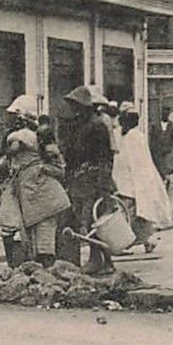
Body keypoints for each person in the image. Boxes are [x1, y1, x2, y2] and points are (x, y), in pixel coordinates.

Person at [0, 96, 70, 268]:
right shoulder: (40, 138)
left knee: (40, 233)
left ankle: (36, 269)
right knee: (28, 231)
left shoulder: (23, 137)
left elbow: (10, 152)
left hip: (37, 190)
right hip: (30, 189)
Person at [60, 85, 118, 275]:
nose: (73, 109)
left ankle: (101, 260)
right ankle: (101, 260)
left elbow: (105, 157)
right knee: (87, 221)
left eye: (75, 105)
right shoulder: (79, 125)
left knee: (95, 221)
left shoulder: (96, 125)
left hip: (93, 179)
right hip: (79, 179)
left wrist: (103, 183)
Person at [113, 103, 172, 252]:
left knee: (134, 214)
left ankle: (135, 241)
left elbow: (141, 162)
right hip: (123, 180)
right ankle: (145, 240)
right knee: (133, 213)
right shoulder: (121, 135)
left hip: (133, 182)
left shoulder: (136, 136)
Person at [147, 107, 173, 186]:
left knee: (167, 168)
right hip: (157, 151)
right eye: (164, 113)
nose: (165, 115)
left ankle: (166, 182)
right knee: (159, 168)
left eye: (167, 113)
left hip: (167, 151)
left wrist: (170, 147)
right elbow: (152, 138)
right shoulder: (155, 125)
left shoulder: (172, 125)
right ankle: (161, 182)